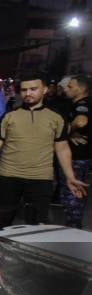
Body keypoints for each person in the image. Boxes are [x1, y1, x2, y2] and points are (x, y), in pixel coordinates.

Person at [0, 73, 88, 231]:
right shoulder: (9, 116)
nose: (28, 93)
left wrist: (70, 176)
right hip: (8, 176)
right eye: (24, 90)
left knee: (35, 225)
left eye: (33, 89)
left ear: (45, 89)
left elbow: (62, 148)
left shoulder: (56, 117)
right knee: (3, 220)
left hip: (40, 179)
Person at [60, 75, 92, 228]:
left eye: (71, 87)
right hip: (82, 156)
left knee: (72, 193)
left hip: (77, 156)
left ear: (82, 89)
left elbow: (81, 121)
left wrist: (69, 131)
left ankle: (73, 229)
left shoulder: (83, 104)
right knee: (75, 191)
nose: (67, 89)